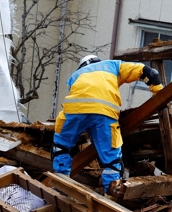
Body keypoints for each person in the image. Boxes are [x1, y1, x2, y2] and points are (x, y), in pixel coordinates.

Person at [52, 54, 162, 193]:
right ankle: (110, 195)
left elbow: (84, 104)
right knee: (112, 161)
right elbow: (149, 72)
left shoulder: (75, 75)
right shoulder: (113, 66)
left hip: (74, 110)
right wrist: (159, 93)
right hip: (104, 113)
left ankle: (60, 186)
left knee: (61, 147)